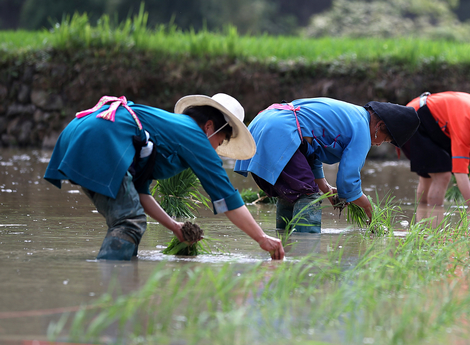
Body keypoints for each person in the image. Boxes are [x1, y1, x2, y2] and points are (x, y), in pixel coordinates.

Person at [44, 93, 285, 260]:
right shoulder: (195, 135)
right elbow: (227, 199)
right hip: (100, 136)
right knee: (129, 223)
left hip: (82, 132)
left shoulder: (171, 128)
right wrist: (262, 238)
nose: (214, 150)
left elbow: (140, 193)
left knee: (128, 220)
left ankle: (124, 276)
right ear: (209, 127)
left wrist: (175, 227)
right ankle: (112, 290)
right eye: (219, 143)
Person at [234, 98, 419, 233]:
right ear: (379, 125)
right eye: (385, 139)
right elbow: (348, 182)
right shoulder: (362, 129)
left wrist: (326, 188)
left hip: (265, 124)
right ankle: (305, 255)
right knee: (308, 196)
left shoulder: (351, 115)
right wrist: (369, 208)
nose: (378, 144)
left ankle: (284, 247)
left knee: (293, 193)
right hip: (279, 131)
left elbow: (310, 151)